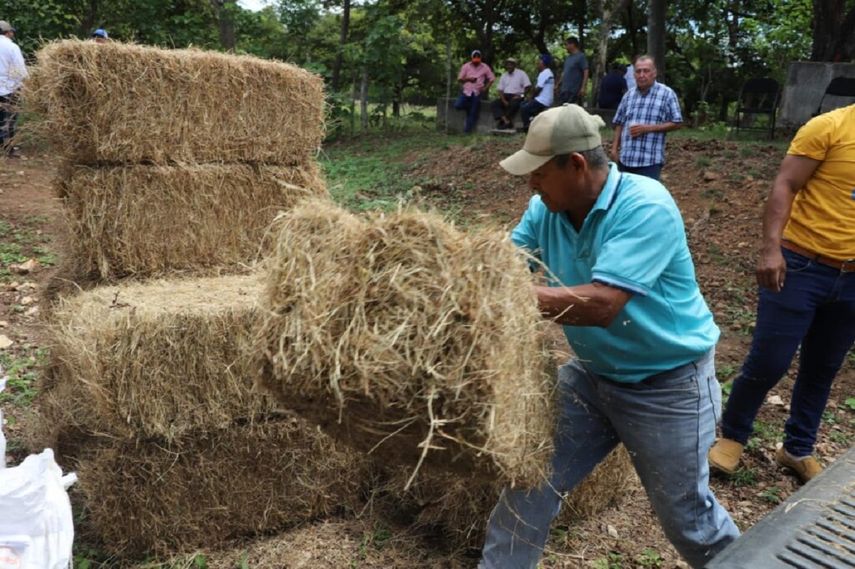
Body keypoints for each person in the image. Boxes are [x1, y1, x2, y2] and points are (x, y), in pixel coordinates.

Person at [479, 104, 738, 569]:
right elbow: (503, 264)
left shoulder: (645, 206)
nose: (531, 183)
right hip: (592, 378)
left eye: (539, 173)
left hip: (667, 386)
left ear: (576, 165)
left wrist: (504, 293)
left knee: (690, 522)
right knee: (528, 485)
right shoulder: (546, 209)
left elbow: (602, 305)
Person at [708, 104, 855, 484]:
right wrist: (771, 249)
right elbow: (786, 184)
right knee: (770, 361)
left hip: (852, 279)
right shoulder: (829, 128)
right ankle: (732, 436)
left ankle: (798, 448)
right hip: (802, 265)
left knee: (823, 367)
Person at [610, 55, 682, 181]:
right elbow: (619, 122)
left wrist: (647, 128)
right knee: (625, 192)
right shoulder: (628, 95)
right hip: (626, 159)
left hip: (650, 161)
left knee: (647, 193)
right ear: (634, 74)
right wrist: (614, 149)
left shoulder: (667, 94)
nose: (642, 75)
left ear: (654, 73)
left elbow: (677, 122)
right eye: (638, 71)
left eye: (646, 71)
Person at [0, 20, 27, 158]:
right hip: (9, 88)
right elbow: (21, 71)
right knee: (9, 119)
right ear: (7, 32)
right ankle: (8, 147)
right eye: (11, 31)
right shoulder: (12, 47)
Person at [453, 50, 495, 134]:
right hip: (466, 91)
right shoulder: (466, 66)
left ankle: (467, 131)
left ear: (480, 58)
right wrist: (468, 79)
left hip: (477, 92)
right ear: (472, 58)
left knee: (473, 113)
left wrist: (485, 88)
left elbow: (492, 78)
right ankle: (469, 106)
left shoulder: (485, 67)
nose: (476, 61)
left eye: (478, 58)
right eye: (475, 58)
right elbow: (459, 79)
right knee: (457, 105)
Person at [490, 57, 530, 130]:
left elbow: (528, 87)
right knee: (494, 104)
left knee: (514, 103)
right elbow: (500, 90)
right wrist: (503, 100)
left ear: (514, 65)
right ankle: (506, 121)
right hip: (506, 95)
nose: (509, 66)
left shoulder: (521, 73)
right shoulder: (504, 75)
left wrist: (521, 95)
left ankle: (503, 122)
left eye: (511, 65)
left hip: (518, 95)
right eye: (507, 65)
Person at [520, 54, 553, 132]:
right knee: (524, 104)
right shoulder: (548, 72)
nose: (538, 62)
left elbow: (538, 88)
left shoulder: (545, 73)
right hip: (545, 99)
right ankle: (533, 122)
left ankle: (528, 129)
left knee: (524, 108)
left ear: (543, 62)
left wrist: (531, 97)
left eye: (539, 60)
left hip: (543, 100)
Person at [558, 37, 588, 105]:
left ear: (572, 45)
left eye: (566, 45)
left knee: (569, 109)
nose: (565, 47)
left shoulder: (581, 56)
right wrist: (558, 84)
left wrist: (583, 87)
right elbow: (564, 72)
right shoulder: (568, 58)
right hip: (564, 90)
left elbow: (586, 71)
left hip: (573, 90)